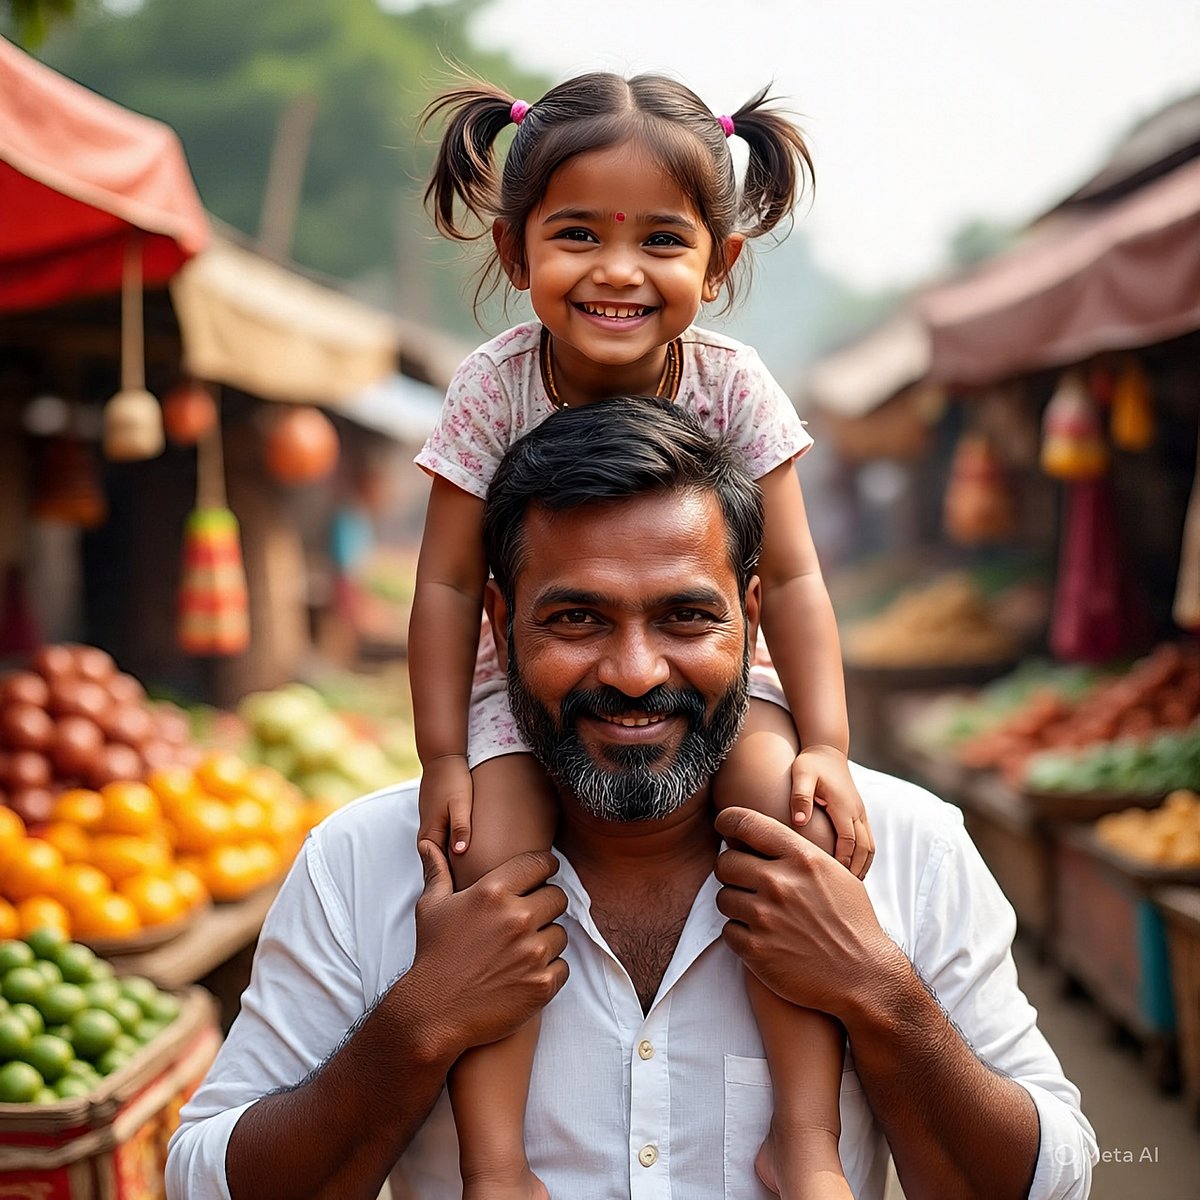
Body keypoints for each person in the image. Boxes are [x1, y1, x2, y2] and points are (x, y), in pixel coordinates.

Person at [165, 398, 1097, 1200]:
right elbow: (203, 1177)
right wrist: (416, 1026)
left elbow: (1055, 1176)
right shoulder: (364, 864)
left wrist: (882, 997)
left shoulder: (907, 848)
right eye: (576, 618)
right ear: (499, 624)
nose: (636, 672)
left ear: (755, 618)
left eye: (687, 616)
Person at [410, 70, 870, 1199]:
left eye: (661, 240)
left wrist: (828, 743)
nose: (618, 271)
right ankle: (497, 1164)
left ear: (717, 264)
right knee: (494, 868)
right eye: (577, 235)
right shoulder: (490, 387)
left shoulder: (735, 386)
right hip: (521, 686)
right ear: (518, 254)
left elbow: (796, 578)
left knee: (781, 826)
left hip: (717, 683)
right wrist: (441, 758)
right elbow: (443, 586)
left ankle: (804, 1139)